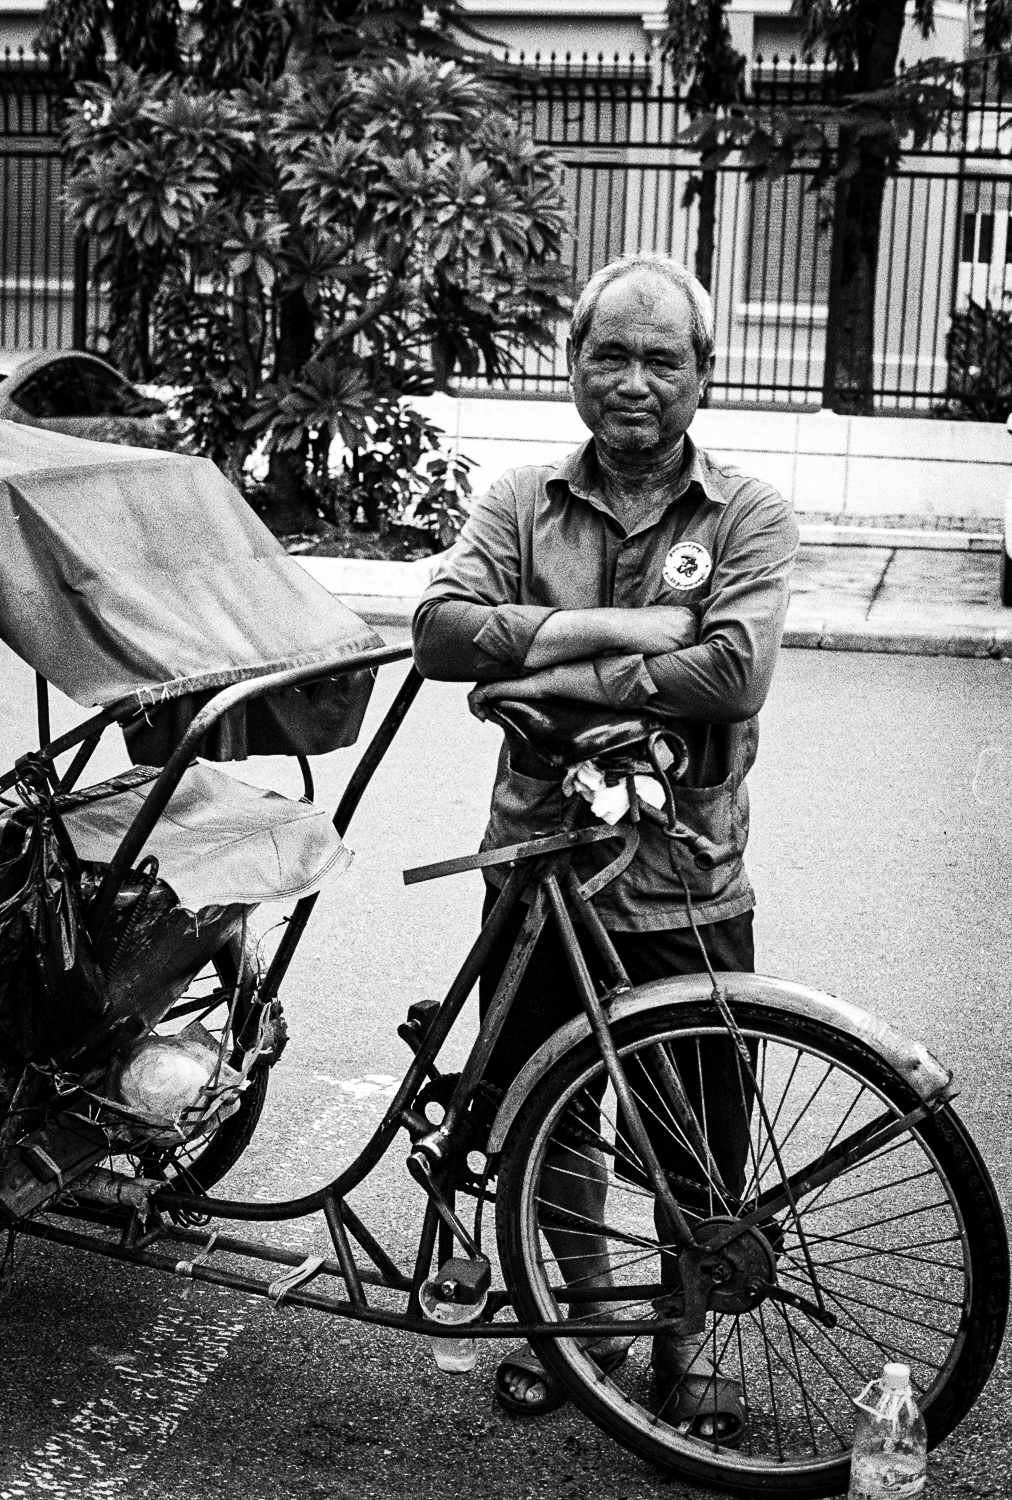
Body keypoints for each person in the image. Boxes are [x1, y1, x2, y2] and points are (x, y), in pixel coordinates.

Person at [412, 252, 798, 1439]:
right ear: (574, 365)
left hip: (686, 878)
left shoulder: (746, 512)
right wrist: (619, 633)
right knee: (545, 1118)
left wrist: (545, 668)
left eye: (658, 359)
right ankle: (571, 1324)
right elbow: (437, 630)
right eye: (608, 355)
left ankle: (679, 1350)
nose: (631, 381)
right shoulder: (519, 498)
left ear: (702, 374)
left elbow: (732, 674)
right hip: (539, 869)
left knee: (696, 1144)